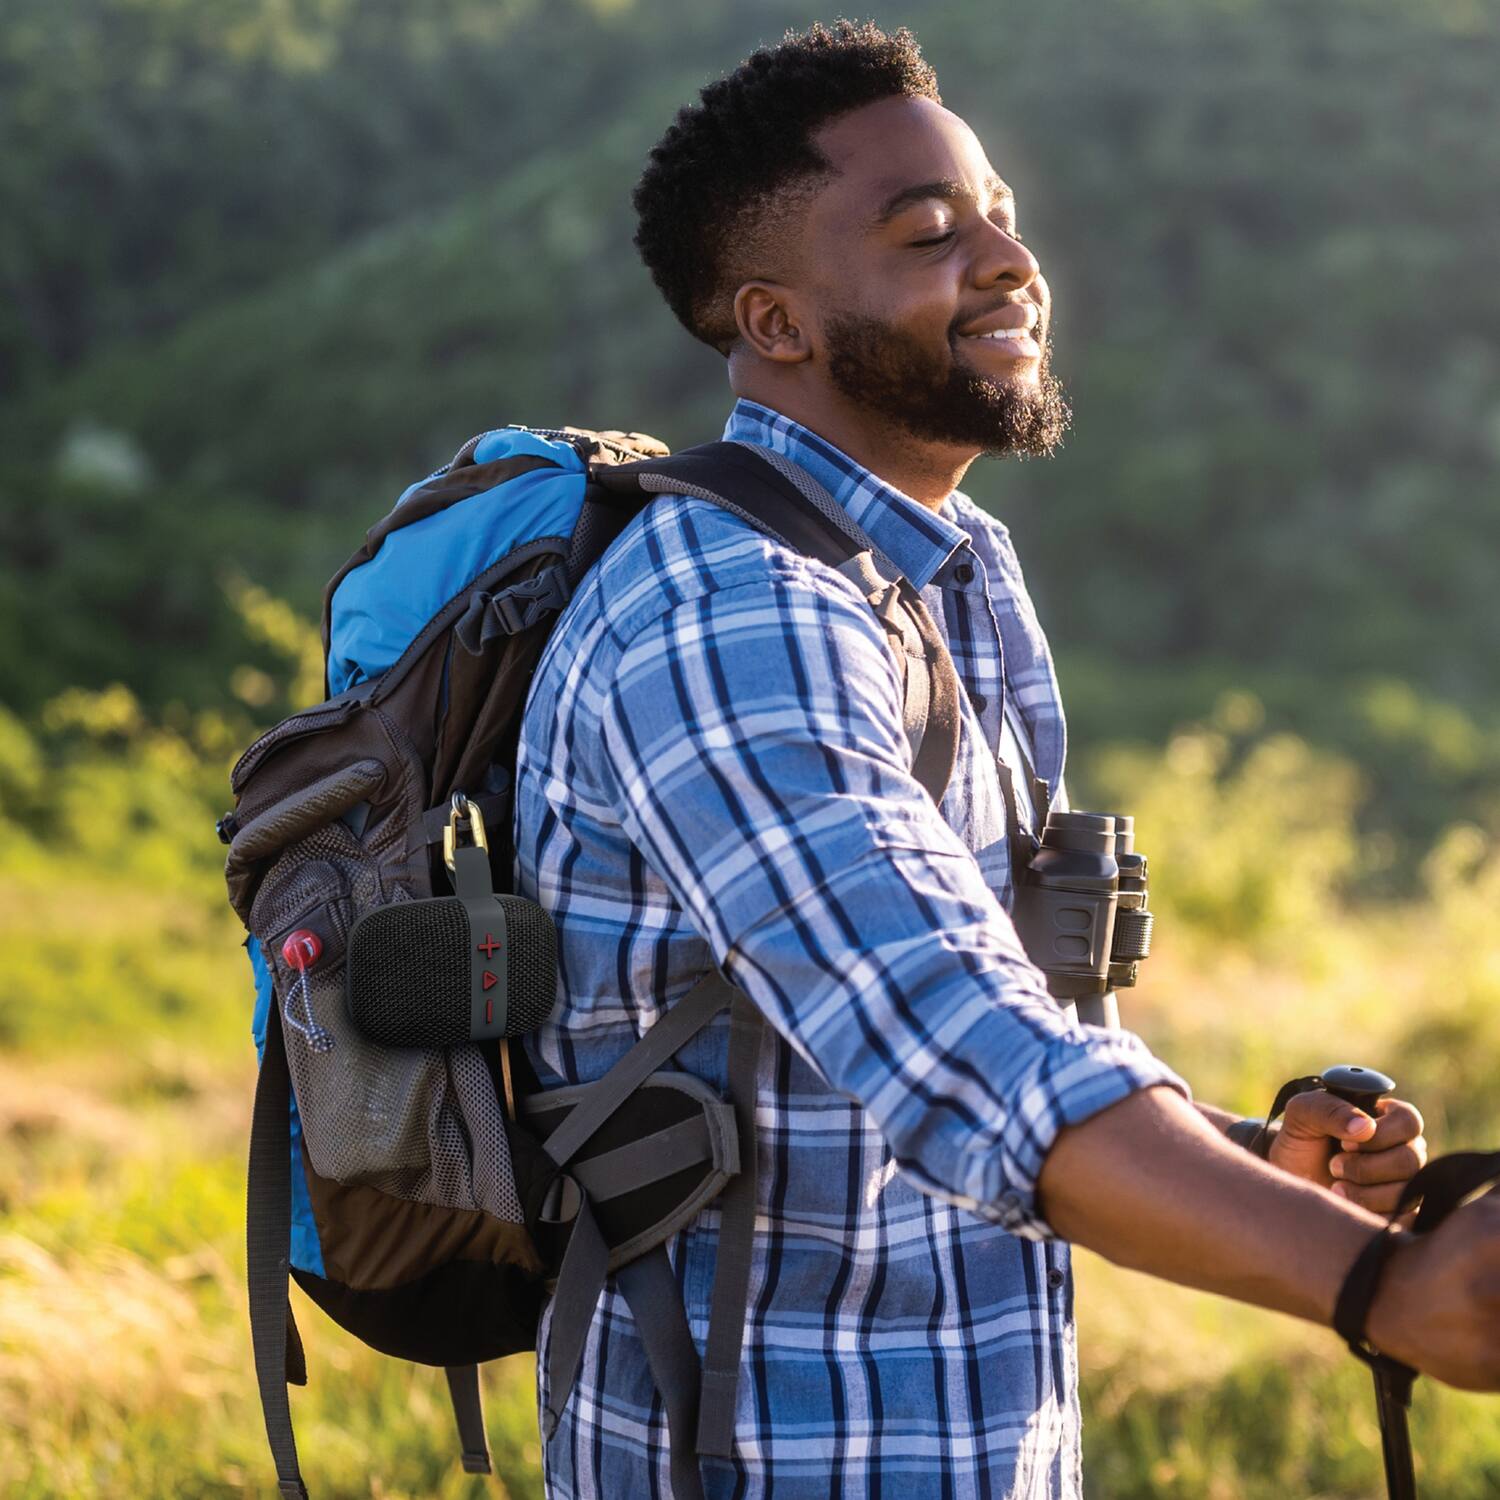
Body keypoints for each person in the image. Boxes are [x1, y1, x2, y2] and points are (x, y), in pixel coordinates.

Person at [512, 21, 1495, 1498]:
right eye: (929, 235)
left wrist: (1253, 1161)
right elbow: (957, 1041)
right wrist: (1379, 1289)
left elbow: (995, 1023)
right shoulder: (730, 616)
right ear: (776, 323)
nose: (1010, 262)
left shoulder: (949, 568)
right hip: (772, 1455)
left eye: (1002, 217)